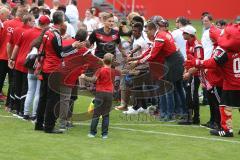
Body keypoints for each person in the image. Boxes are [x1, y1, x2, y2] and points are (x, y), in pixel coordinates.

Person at [35, 11, 82, 134]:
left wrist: (72, 45)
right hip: (53, 69)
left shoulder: (47, 32)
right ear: (61, 22)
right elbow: (61, 53)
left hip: (46, 68)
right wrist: (74, 47)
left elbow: (48, 50)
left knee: (44, 97)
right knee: (53, 99)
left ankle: (39, 123)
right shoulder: (55, 34)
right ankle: (49, 126)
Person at [80, 53, 119, 139]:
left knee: (96, 114)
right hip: (109, 94)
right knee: (106, 115)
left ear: (103, 60)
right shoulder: (113, 71)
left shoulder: (100, 70)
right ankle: (104, 134)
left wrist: (84, 76)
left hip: (100, 93)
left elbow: (93, 80)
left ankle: (92, 133)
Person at [8, 14, 35, 117]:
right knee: (25, 88)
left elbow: (14, 45)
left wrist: (11, 58)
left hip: (18, 61)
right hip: (27, 63)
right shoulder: (34, 33)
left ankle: (13, 106)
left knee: (16, 85)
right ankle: (21, 110)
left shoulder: (18, 30)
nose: (34, 23)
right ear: (28, 21)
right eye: (32, 21)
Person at [179, 25, 204, 125]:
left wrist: (189, 73)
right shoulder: (188, 43)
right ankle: (191, 117)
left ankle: (194, 118)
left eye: (184, 33)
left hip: (196, 74)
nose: (182, 34)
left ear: (189, 35)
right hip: (190, 73)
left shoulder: (197, 46)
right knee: (189, 94)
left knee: (193, 95)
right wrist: (185, 70)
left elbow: (199, 63)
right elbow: (188, 60)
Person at [0, 6, 10, 102]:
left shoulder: (4, 23)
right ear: (1, 14)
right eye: (6, 15)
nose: (7, 18)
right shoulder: (2, 24)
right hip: (3, 55)